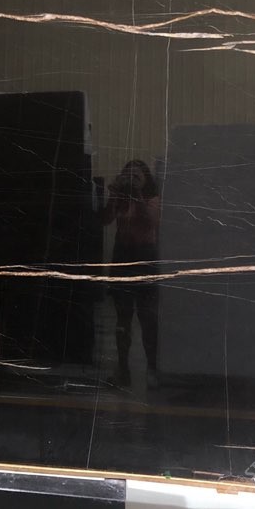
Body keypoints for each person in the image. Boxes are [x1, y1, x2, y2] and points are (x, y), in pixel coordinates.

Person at [101, 160, 160, 387]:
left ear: (145, 181)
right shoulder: (121, 198)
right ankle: (123, 369)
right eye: (128, 176)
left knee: (147, 317)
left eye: (137, 177)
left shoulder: (152, 199)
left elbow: (150, 222)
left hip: (145, 257)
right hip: (123, 256)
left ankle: (152, 368)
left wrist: (136, 195)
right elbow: (105, 220)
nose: (132, 181)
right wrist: (115, 195)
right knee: (123, 317)